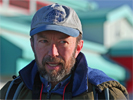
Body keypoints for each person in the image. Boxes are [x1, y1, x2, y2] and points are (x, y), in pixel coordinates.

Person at [0, 3, 129, 100]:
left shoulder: (105, 94)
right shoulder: (12, 93)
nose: (53, 53)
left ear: (78, 47)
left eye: (63, 42)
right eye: (44, 41)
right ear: (32, 45)